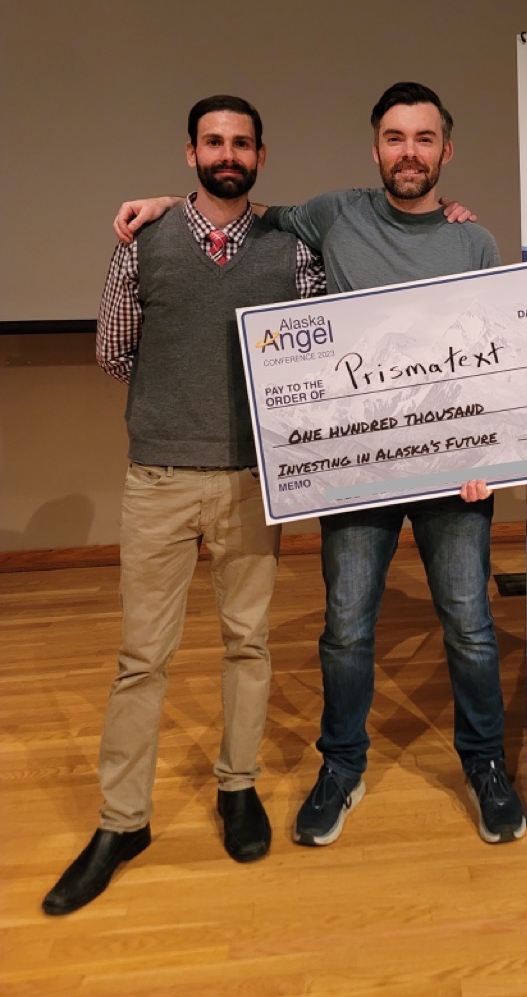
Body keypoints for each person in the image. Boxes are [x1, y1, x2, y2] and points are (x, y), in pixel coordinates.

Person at [113, 82, 526, 847]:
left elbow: (494, 364)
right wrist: (167, 203)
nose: (409, 152)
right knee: (345, 630)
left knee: (471, 628)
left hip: (453, 472)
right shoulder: (335, 214)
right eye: (395, 138)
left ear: (447, 150)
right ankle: (341, 766)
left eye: (424, 138)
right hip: (358, 469)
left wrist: (490, 456)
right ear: (376, 149)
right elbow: (234, 206)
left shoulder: (475, 242)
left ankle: (485, 765)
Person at [42, 95, 326, 916]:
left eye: (241, 143)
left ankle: (238, 787)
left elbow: (319, 349)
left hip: (251, 481)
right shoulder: (144, 239)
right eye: (213, 142)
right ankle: (122, 822)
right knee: (142, 657)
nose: (227, 154)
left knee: (247, 644)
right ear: (191, 153)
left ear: (260, 157)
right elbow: (112, 352)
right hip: (159, 479)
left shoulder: (293, 248)